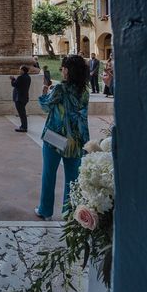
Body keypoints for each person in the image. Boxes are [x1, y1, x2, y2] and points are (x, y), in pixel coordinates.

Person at [35, 55, 90, 221]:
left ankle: (45, 211)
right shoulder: (85, 91)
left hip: (55, 137)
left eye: (63, 68)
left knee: (49, 174)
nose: (62, 70)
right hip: (77, 140)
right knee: (73, 179)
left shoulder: (60, 88)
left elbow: (45, 106)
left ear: (68, 70)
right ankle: (69, 213)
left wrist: (44, 92)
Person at [11, 65, 31, 132]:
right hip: (25, 97)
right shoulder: (28, 77)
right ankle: (23, 126)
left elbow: (14, 84)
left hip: (19, 98)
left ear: (23, 70)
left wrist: (13, 79)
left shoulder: (20, 77)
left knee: (22, 114)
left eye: (20, 70)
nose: (19, 71)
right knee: (22, 113)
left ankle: (24, 127)